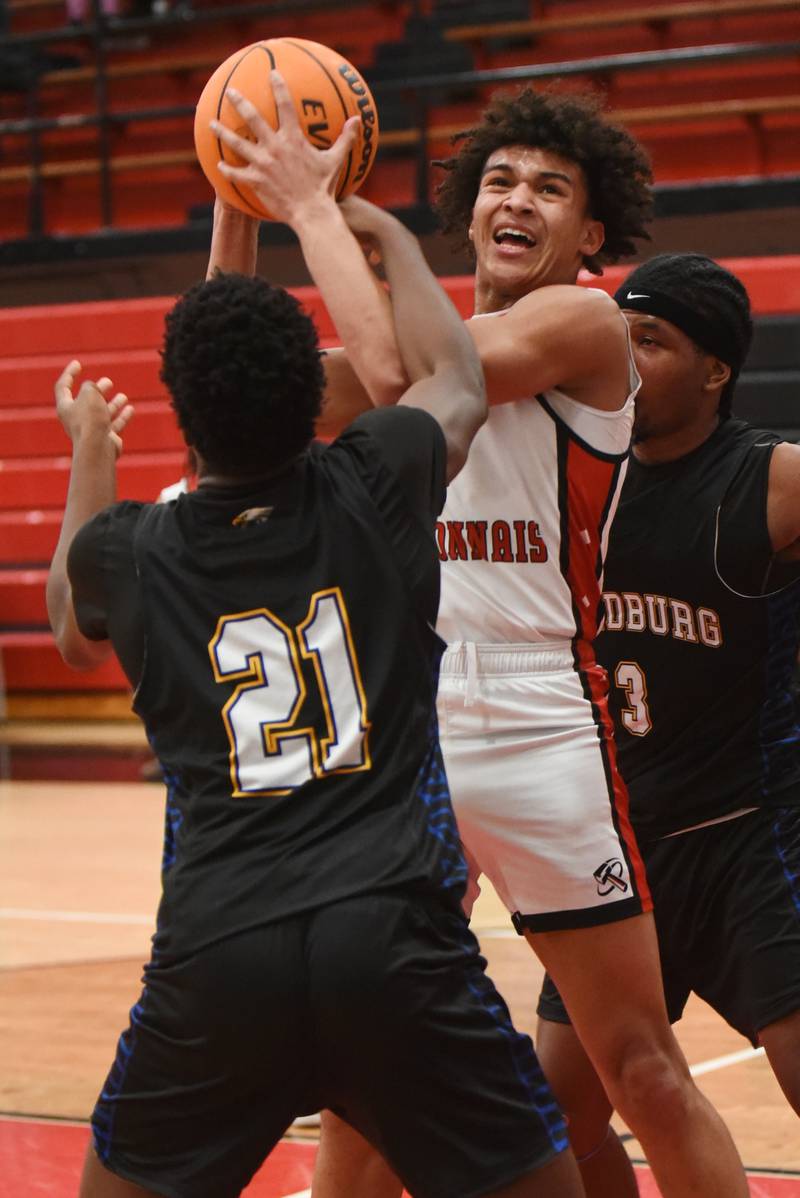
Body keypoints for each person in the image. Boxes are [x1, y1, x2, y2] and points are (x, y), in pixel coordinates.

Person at [46, 77, 584, 1198]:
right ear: (312, 403)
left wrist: (92, 448)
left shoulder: (134, 554)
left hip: (217, 944)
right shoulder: (372, 487)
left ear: (183, 419)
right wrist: (340, 206)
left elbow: (67, 617)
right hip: (389, 931)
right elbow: (443, 377)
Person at [210, 83, 749, 1197]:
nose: (518, 198)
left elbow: (428, 379)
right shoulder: (392, 339)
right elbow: (229, 393)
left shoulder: (584, 321)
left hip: (542, 723)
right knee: (359, 1079)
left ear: (588, 234)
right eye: (499, 179)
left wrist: (320, 209)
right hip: (415, 728)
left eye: (549, 187)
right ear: (467, 210)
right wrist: (236, 203)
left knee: (638, 1065)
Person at [534, 251, 800, 1195]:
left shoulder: (770, 479)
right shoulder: (573, 483)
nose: (625, 359)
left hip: (753, 839)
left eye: (651, 341)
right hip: (618, 850)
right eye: (618, 338)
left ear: (716, 370)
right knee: (558, 1119)